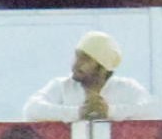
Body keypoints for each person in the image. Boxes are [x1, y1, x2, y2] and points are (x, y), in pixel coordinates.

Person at [21, 32, 154, 122]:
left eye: (85, 59)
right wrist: (78, 113)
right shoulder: (62, 86)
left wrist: (110, 111)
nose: (76, 64)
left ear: (102, 67)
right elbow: (31, 110)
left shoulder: (126, 88)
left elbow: (151, 110)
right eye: (76, 56)